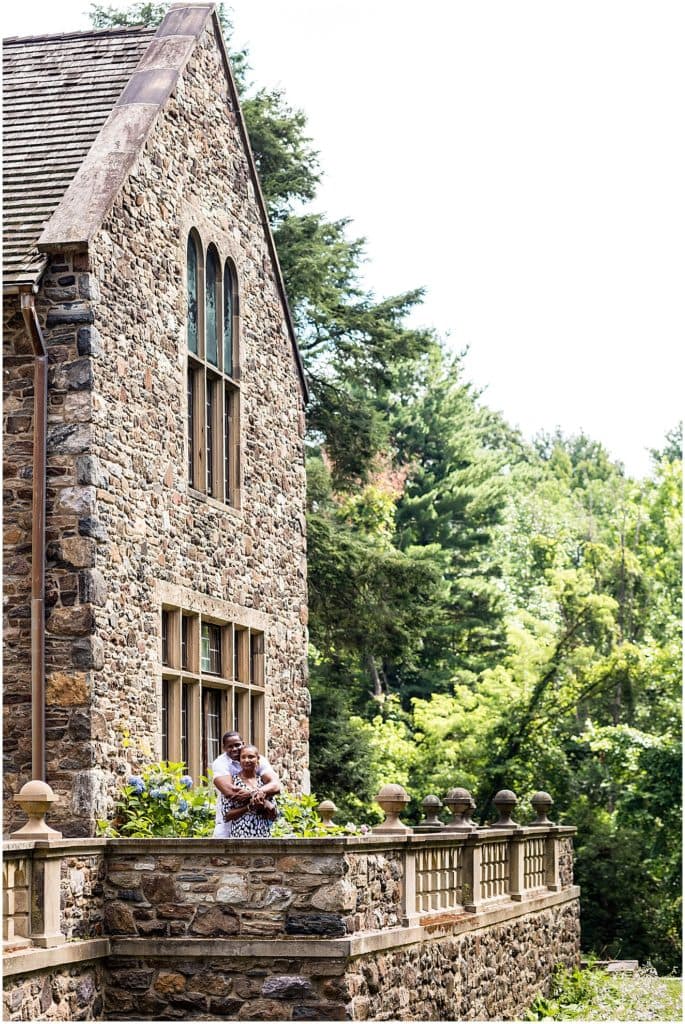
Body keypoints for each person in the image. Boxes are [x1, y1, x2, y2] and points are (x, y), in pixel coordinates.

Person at [211, 731, 281, 838]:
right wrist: (254, 800)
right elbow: (231, 793)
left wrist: (261, 796)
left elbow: (275, 785)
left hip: (260, 830)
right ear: (224, 748)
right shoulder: (221, 763)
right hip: (229, 828)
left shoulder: (259, 763)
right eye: (230, 746)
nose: (234, 749)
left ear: (243, 743)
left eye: (237, 745)